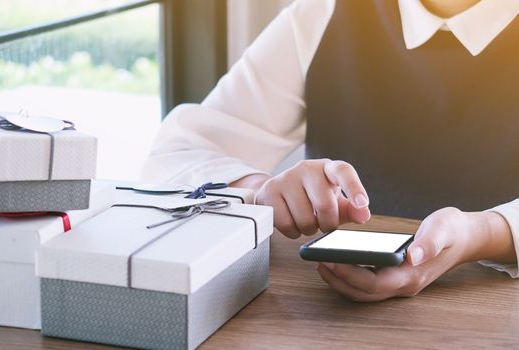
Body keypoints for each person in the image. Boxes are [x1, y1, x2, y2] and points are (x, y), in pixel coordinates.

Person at [141, 0, 519, 301]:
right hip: (323, 311)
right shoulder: (323, 13)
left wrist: (486, 232)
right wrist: (260, 188)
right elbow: (175, 153)